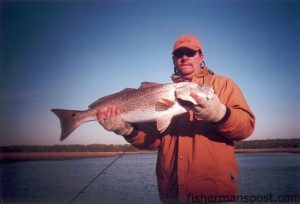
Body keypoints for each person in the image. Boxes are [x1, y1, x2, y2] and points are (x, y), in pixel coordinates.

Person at [97, 34, 255, 203]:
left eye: (190, 52)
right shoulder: (163, 92)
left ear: (201, 56)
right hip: (172, 194)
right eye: (179, 54)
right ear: (173, 60)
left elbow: (246, 128)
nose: (184, 57)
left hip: (214, 193)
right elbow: (152, 141)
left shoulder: (223, 85)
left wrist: (220, 114)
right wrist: (127, 130)